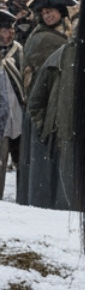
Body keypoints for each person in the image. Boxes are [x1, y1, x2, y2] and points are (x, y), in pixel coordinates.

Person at [20, 0, 74, 209]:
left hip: (59, 103)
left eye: (51, 11)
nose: (48, 15)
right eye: (44, 13)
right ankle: (46, 202)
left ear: (61, 13)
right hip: (45, 107)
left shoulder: (64, 36)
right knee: (45, 160)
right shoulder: (42, 38)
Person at [0, 10, 23, 200]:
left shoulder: (18, 50)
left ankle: (23, 198)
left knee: (21, 162)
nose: (11, 32)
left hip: (17, 113)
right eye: (7, 28)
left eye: (12, 28)